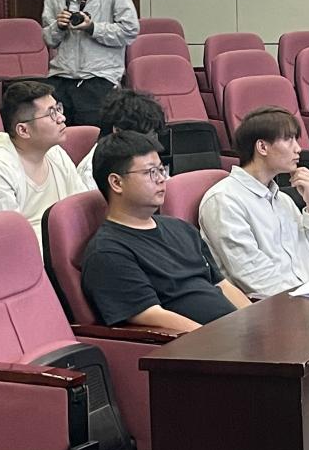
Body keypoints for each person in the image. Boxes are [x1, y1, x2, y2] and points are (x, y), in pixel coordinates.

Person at [82, 130, 249, 333]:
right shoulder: (108, 252)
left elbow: (222, 284)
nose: (161, 179)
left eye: (162, 170)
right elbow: (150, 315)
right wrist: (216, 338)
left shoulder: (181, 228)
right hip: (196, 344)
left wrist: (256, 322)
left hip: (234, 334)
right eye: (150, 172)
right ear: (117, 183)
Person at [199, 106, 309, 295]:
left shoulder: (283, 200)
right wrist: (304, 298)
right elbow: (253, 275)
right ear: (262, 147)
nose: (298, 148)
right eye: (288, 139)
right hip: (272, 306)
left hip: (308, 295)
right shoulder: (224, 200)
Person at [0, 80, 86, 243]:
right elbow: (6, 241)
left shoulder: (55, 153)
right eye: (51, 113)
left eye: (58, 109)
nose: (61, 118)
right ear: (23, 130)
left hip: (60, 247)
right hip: (17, 253)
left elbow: (80, 209)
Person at [41, 0, 140, 126]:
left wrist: (92, 27)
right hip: (62, 77)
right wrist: (59, 26)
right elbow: (49, 39)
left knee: (93, 138)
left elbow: (129, 30)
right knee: (59, 136)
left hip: (99, 78)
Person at [76, 87, 167, 186]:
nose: (152, 143)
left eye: (153, 136)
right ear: (118, 131)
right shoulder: (91, 174)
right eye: (146, 138)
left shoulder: (145, 158)